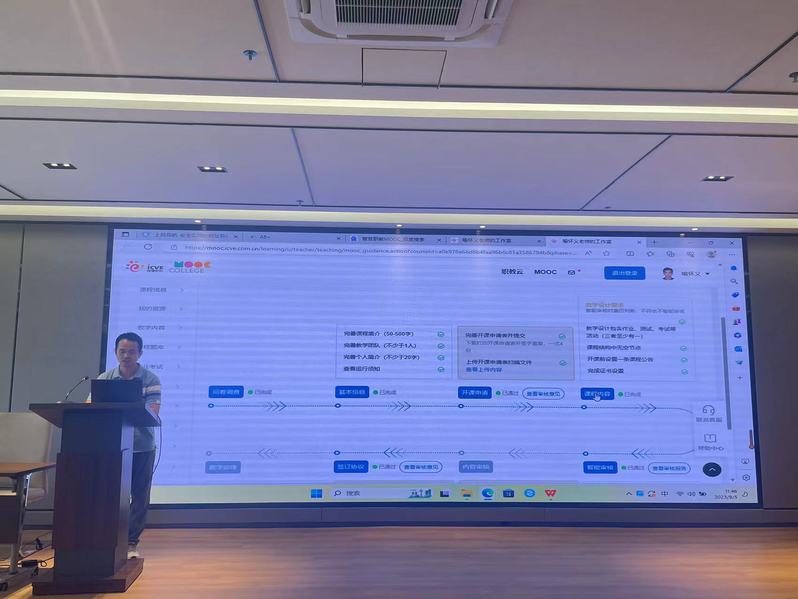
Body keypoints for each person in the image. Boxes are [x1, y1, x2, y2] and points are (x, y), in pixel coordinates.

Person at [91, 332, 161, 559]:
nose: (126, 356)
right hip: (112, 447)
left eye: (131, 351)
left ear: (140, 353)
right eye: (122, 351)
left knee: (139, 495)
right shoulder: (105, 378)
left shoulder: (150, 379)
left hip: (142, 447)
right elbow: (90, 406)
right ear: (115, 353)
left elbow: (153, 412)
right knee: (110, 493)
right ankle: (108, 539)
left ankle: (131, 542)